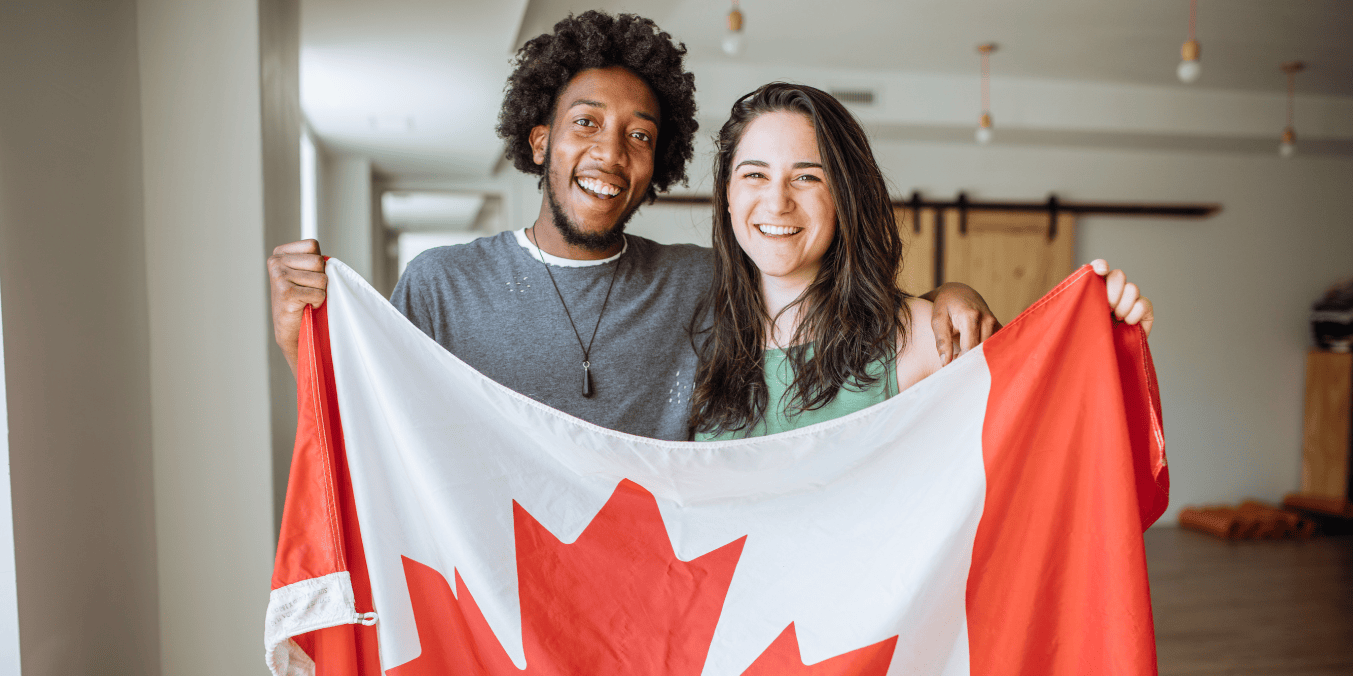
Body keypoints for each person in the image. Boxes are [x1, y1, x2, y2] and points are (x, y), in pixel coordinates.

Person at [267, 11, 999, 441]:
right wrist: (305, 349)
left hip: (656, 622)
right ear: (538, 141)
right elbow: (371, 432)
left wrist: (952, 294)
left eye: (640, 135)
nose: (609, 154)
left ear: (662, 163)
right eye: (585, 123)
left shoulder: (700, 282)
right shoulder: (441, 285)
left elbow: (817, 295)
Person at [692, 83, 1153, 440]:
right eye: (754, 174)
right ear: (728, 195)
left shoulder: (922, 337)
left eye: (807, 177)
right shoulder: (692, 336)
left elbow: (1047, 433)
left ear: (844, 199)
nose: (777, 201)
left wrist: (1105, 344)